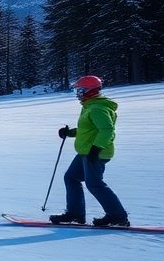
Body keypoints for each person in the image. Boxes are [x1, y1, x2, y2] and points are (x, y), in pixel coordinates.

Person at [50, 75, 129, 227]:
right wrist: (69, 133)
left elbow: (107, 130)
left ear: (90, 91)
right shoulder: (89, 106)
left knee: (94, 184)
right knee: (71, 178)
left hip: (96, 153)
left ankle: (118, 216)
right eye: (77, 90)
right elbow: (88, 130)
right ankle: (75, 214)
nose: (77, 94)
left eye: (80, 90)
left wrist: (96, 149)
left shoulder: (98, 108)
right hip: (86, 152)